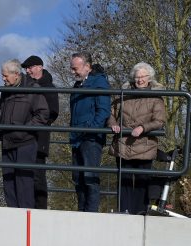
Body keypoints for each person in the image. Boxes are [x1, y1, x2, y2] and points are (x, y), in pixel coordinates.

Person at [0, 59, 49, 209]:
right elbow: (5, 113)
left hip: (25, 142)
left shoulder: (32, 89)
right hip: (8, 141)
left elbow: (43, 114)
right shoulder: (6, 91)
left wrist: (26, 128)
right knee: (8, 184)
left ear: (16, 74)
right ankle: (12, 217)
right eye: (2, 75)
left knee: (24, 183)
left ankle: (25, 218)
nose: (3, 78)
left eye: (5, 75)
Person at [107, 62, 167, 214]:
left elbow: (159, 120)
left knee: (142, 181)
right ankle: (124, 211)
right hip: (123, 143)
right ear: (133, 78)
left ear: (149, 78)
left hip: (145, 144)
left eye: (143, 76)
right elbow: (111, 114)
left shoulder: (156, 97)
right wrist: (113, 124)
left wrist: (143, 128)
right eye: (137, 77)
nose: (140, 80)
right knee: (124, 180)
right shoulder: (122, 94)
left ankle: (140, 213)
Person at [70, 52, 111, 212]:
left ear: (87, 66)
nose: (73, 72)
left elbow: (103, 110)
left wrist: (90, 129)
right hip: (77, 137)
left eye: (75, 68)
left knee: (90, 177)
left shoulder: (99, 82)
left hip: (90, 138)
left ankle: (91, 214)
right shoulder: (79, 84)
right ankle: (82, 212)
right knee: (78, 178)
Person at [22, 55, 60, 209]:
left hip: (39, 137)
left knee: (38, 175)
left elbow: (53, 112)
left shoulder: (49, 88)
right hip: (26, 137)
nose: (27, 70)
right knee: (26, 173)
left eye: (30, 67)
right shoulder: (27, 86)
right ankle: (28, 206)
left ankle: (40, 208)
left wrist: (36, 123)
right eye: (26, 68)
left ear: (39, 67)